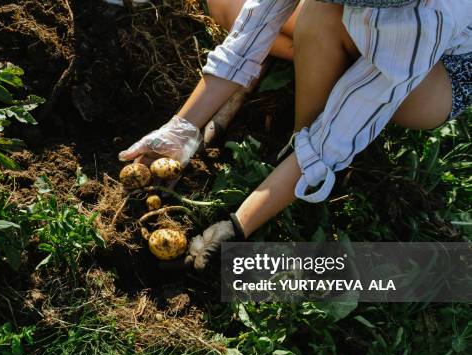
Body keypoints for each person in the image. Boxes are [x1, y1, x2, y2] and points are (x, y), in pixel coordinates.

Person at [119, 0, 472, 269]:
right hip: (363, 24)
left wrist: (238, 225)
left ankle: (299, 132)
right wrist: (182, 128)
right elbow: (250, 32)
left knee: (320, 17)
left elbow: (331, 141)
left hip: (434, 75)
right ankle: (331, 62)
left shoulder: (427, 20)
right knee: (225, 4)